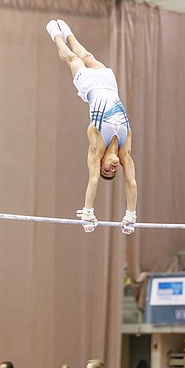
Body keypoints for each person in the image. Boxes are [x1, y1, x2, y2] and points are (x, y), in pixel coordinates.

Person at [46, 19, 137, 234]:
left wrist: (88, 211)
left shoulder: (96, 144)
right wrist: (130, 215)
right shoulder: (126, 149)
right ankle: (68, 32)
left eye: (107, 169)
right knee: (87, 56)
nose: (112, 169)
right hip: (109, 84)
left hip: (90, 86)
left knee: (72, 58)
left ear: (101, 161)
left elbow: (93, 179)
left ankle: (55, 34)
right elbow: (131, 182)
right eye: (113, 172)